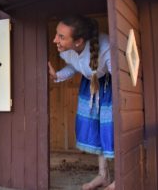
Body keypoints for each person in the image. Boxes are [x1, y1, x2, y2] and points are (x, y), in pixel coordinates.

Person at [48, 15, 115, 190]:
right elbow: (75, 65)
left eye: (61, 37)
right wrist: (58, 76)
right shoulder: (66, 51)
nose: (55, 40)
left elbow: (120, 75)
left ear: (78, 41)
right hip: (91, 86)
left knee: (111, 128)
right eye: (57, 34)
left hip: (111, 85)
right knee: (94, 127)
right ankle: (104, 176)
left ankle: (121, 177)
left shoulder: (106, 48)